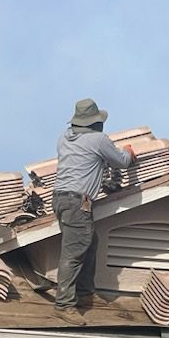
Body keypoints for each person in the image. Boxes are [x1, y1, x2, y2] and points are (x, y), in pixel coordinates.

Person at [52, 98, 137, 325]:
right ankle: (64, 304)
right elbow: (120, 161)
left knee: (90, 242)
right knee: (74, 252)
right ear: (95, 123)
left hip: (60, 200)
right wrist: (129, 152)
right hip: (77, 202)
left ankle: (83, 292)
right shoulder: (98, 140)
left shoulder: (64, 137)